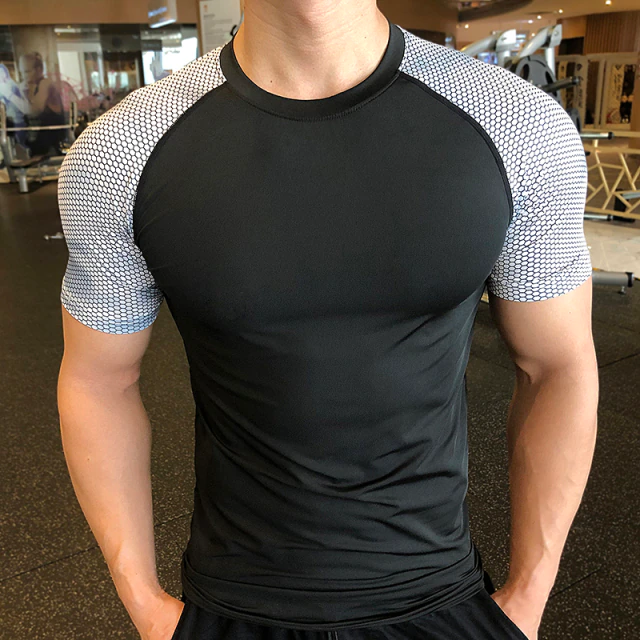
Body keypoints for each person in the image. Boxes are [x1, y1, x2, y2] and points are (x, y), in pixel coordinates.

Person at [56, 1, 599, 639]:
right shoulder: (121, 153)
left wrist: (526, 602)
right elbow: (98, 380)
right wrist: (146, 606)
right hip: (230, 607)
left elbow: (557, 365)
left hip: (444, 599)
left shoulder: (517, 126)